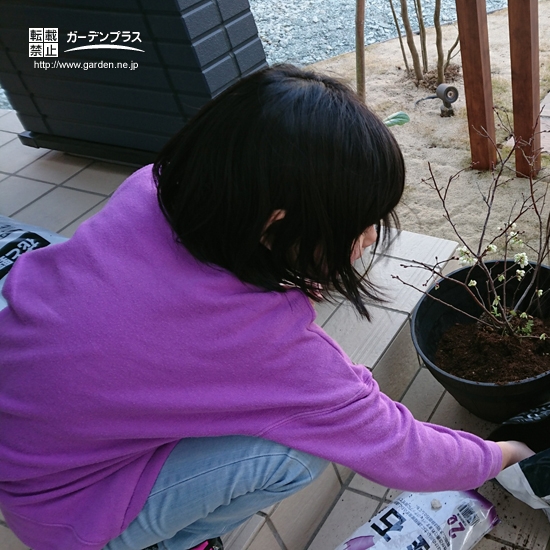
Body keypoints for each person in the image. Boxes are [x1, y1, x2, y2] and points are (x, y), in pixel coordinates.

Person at [0, 64, 532, 550]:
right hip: (64, 509)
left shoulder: (155, 188)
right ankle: (175, 542)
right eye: (357, 222)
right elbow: (400, 447)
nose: (369, 237)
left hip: (31, 432)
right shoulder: (262, 345)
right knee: (296, 456)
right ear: (275, 225)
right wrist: (506, 453)